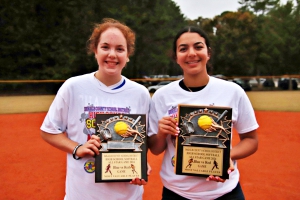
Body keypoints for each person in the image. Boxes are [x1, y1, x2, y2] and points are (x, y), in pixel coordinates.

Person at [40, 18, 151, 200]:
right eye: (105, 47)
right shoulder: (73, 87)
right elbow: (49, 131)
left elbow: (142, 138)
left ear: (128, 55)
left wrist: (141, 163)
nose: (112, 54)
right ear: (95, 50)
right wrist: (77, 148)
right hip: (82, 195)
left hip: (127, 195)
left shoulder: (140, 93)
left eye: (120, 49)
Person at [148, 26, 259, 200]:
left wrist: (226, 156)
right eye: (183, 49)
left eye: (198, 47)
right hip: (177, 193)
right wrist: (162, 133)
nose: (191, 53)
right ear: (176, 57)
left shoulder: (233, 91)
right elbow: (155, 149)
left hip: (225, 192)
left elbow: (251, 140)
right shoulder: (162, 96)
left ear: (208, 53)